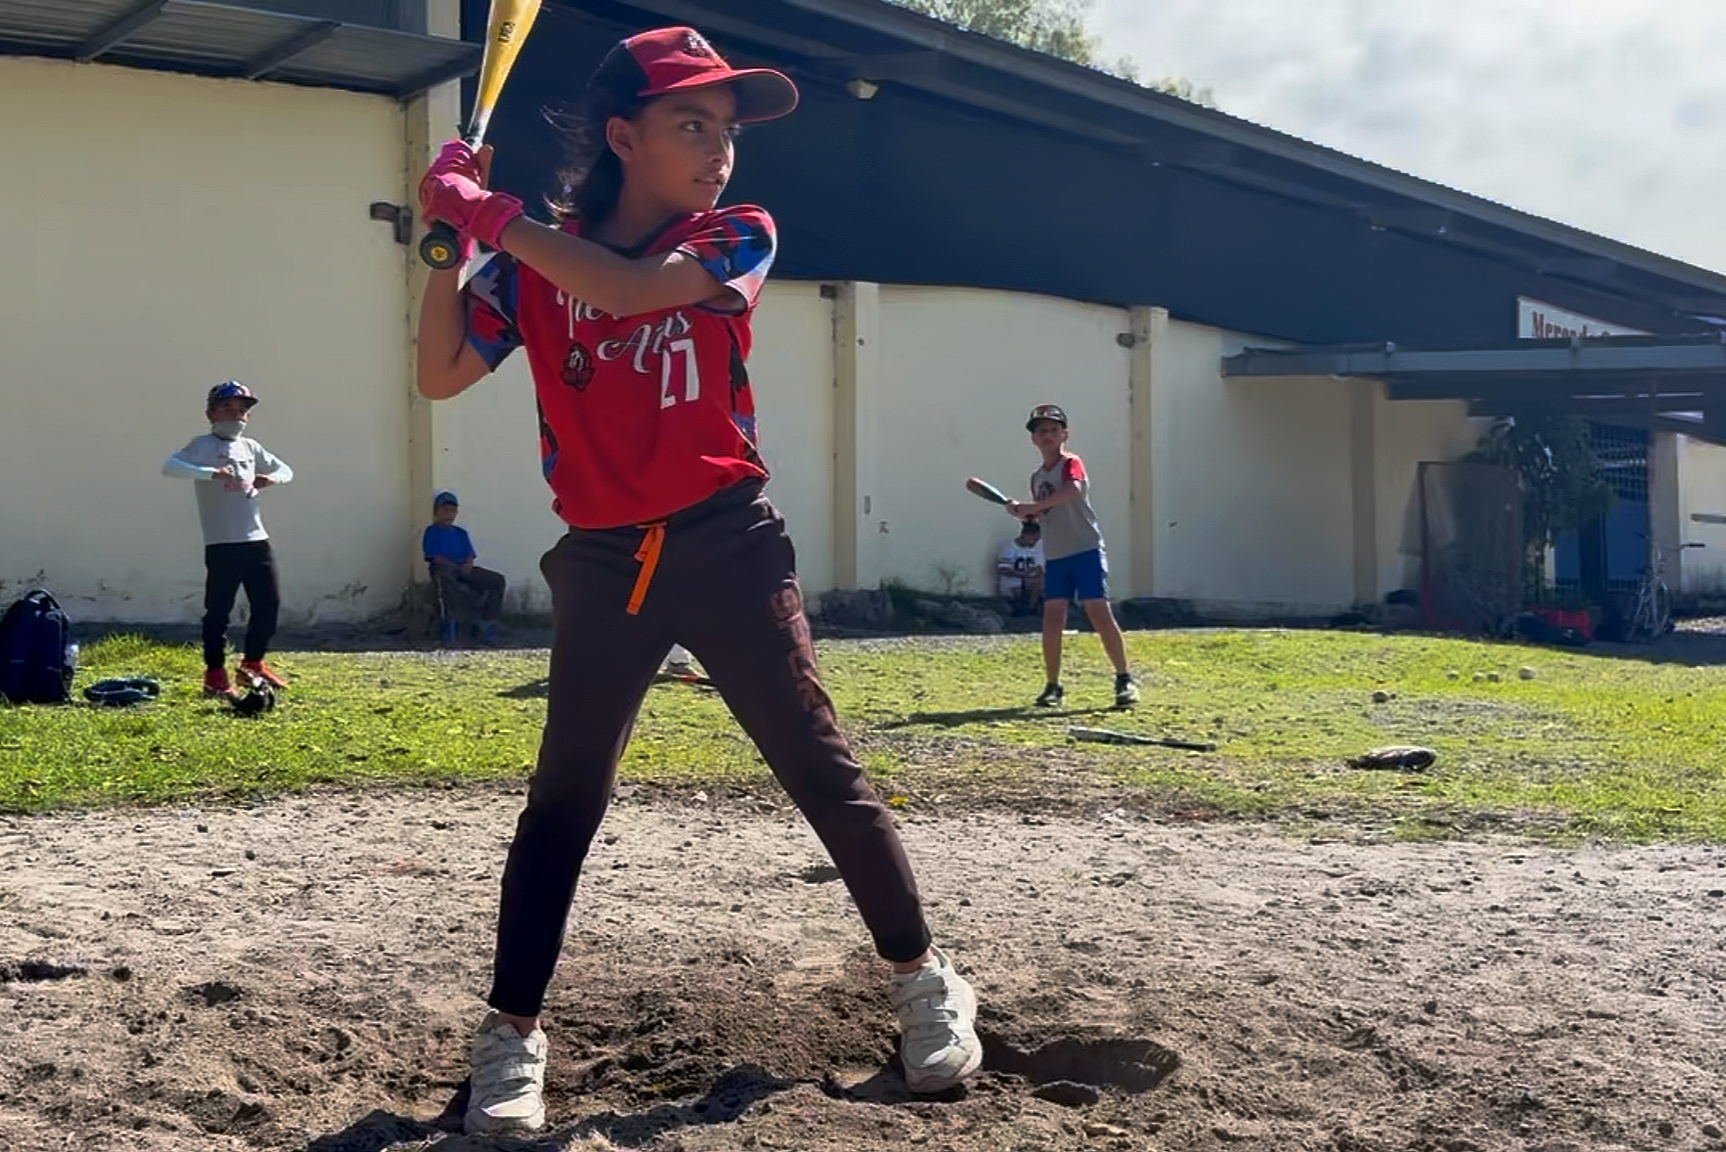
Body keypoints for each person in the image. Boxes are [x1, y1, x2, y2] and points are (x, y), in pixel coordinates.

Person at [413, 26, 982, 1135]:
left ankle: (924, 980)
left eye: (724, 130)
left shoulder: (736, 233)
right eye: (690, 124)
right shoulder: (532, 261)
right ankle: (512, 1035)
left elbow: (628, 294)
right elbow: (439, 373)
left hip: (726, 541)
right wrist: (444, 246)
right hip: (604, 559)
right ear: (623, 135)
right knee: (563, 801)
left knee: (820, 769)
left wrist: (489, 218)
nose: (719, 149)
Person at [161, 380, 293, 697]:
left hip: (257, 540)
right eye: (227, 409)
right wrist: (210, 473)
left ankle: (253, 664)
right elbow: (170, 467)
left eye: (241, 410)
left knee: (268, 604)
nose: (235, 416)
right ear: (210, 413)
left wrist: (270, 478)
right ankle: (215, 675)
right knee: (219, 610)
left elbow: (286, 470)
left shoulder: (250, 447)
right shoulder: (202, 445)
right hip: (222, 543)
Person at [1005, 404, 1138, 708]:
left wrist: (1033, 507)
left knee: (1097, 611)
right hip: (1057, 556)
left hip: (1086, 549)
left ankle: (1124, 678)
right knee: (1052, 619)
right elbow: (1044, 515)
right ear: (1033, 438)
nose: (1048, 435)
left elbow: (1072, 491)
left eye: (1054, 429)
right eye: (1041, 430)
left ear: (1064, 434)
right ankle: (1053, 685)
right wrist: (1023, 512)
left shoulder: (1070, 463)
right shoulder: (1037, 477)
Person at [423, 490, 508, 644]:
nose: (449, 514)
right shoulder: (432, 532)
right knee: (446, 577)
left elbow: (470, 554)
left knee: (496, 580)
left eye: (452, 510)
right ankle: (451, 624)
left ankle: (487, 622)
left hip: (463, 568)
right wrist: (456, 567)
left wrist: (467, 565)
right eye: (445, 510)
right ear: (437, 512)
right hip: (444, 569)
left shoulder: (461, 533)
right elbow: (436, 557)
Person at [996, 519, 1046, 616]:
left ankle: (1031, 608)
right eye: (1035, 539)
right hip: (1012, 581)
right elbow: (1002, 569)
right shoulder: (1009, 548)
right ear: (1026, 535)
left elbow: (1040, 567)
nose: (1036, 542)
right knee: (1018, 587)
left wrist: (1036, 571)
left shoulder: (1037, 549)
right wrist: (1023, 574)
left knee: (1042, 581)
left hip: (1028, 580)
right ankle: (1019, 606)